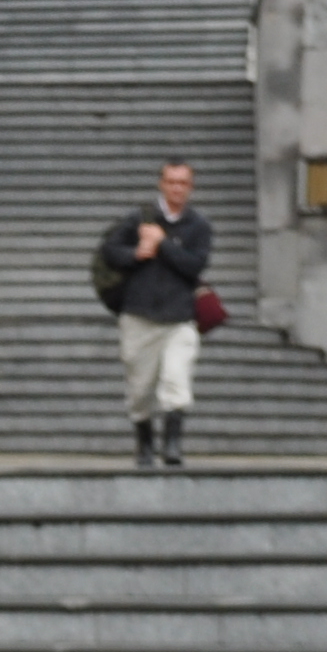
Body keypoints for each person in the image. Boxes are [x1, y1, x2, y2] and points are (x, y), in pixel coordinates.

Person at [95, 157, 210, 468]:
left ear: (191, 187)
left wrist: (162, 244)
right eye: (171, 182)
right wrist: (136, 253)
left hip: (179, 318)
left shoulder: (198, 226)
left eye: (183, 183)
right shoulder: (138, 219)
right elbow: (109, 251)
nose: (177, 189)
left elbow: (195, 265)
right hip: (139, 315)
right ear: (162, 184)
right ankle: (144, 442)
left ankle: (172, 444)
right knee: (140, 388)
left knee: (177, 380)